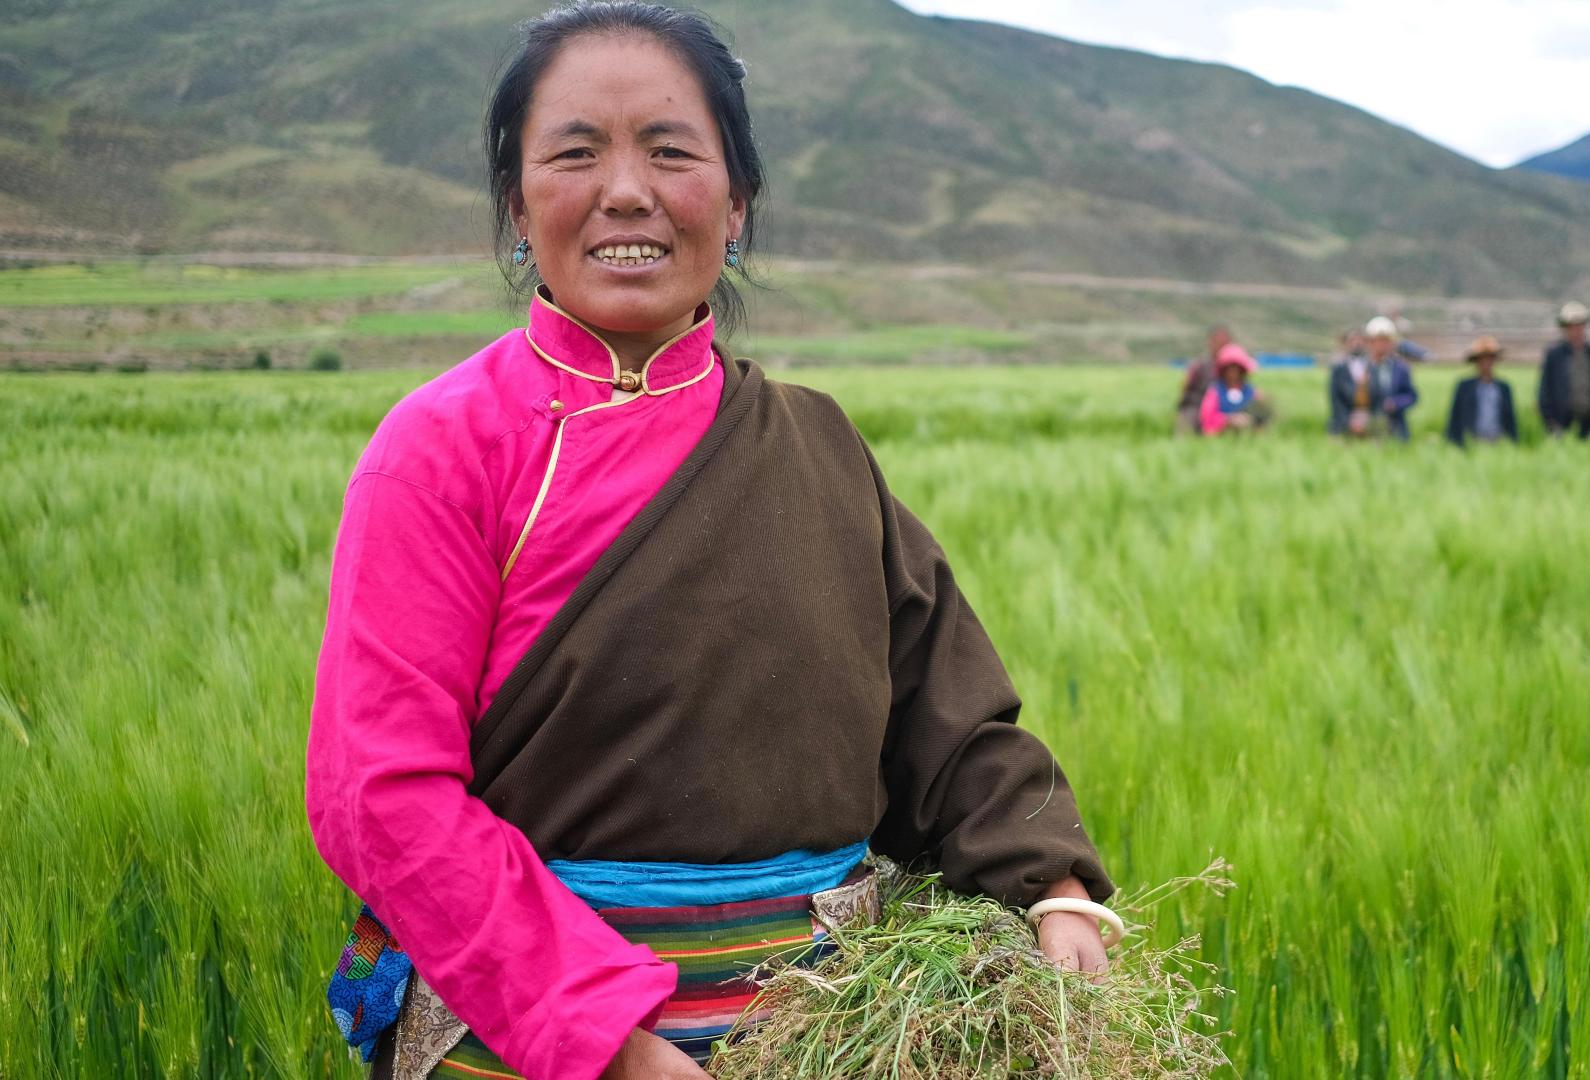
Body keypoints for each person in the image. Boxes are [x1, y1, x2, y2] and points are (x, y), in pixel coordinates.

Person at [304, 6, 1115, 1079]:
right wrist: (609, 1041)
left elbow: (945, 716)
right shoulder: (444, 448)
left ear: (736, 206)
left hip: (825, 1034)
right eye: (576, 151)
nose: (627, 190)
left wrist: (1051, 887)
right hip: (532, 1042)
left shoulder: (817, 444)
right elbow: (381, 795)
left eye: (672, 150)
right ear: (518, 203)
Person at [1331, 316, 1418, 440]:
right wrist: (1350, 420)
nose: (1381, 345)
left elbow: (1412, 396)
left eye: (1385, 341)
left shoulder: (1401, 369)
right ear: (1370, 342)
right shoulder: (1359, 368)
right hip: (1364, 428)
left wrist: (1395, 403)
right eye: (1377, 340)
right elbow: (1343, 399)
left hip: (1395, 428)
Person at [1539, 301, 1590, 438]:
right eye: (1571, 326)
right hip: (1562, 421)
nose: (1576, 330)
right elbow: (1545, 389)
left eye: (1579, 325)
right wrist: (1549, 419)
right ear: (1565, 328)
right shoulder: (1554, 355)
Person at [1445, 335, 1517, 446]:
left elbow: (1511, 420)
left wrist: (1513, 443)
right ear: (1476, 361)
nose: (1486, 363)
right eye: (1482, 359)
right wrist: (1452, 443)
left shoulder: (1504, 388)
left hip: (1498, 441)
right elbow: (1454, 418)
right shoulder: (1464, 387)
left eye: (1489, 358)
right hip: (1471, 442)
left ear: (1494, 360)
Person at [1198, 344, 1271, 435]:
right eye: (1230, 369)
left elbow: (1262, 418)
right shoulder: (1215, 391)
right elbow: (1207, 419)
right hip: (1222, 434)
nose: (1233, 373)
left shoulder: (1250, 392)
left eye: (1237, 369)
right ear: (1224, 371)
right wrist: (1227, 420)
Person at [1175, 325, 1234, 435]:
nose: (1221, 346)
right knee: (1187, 425)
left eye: (1225, 343)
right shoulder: (1199, 365)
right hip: (1196, 406)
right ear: (1210, 342)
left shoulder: (1233, 366)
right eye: (1218, 342)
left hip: (1222, 407)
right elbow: (1185, 389)